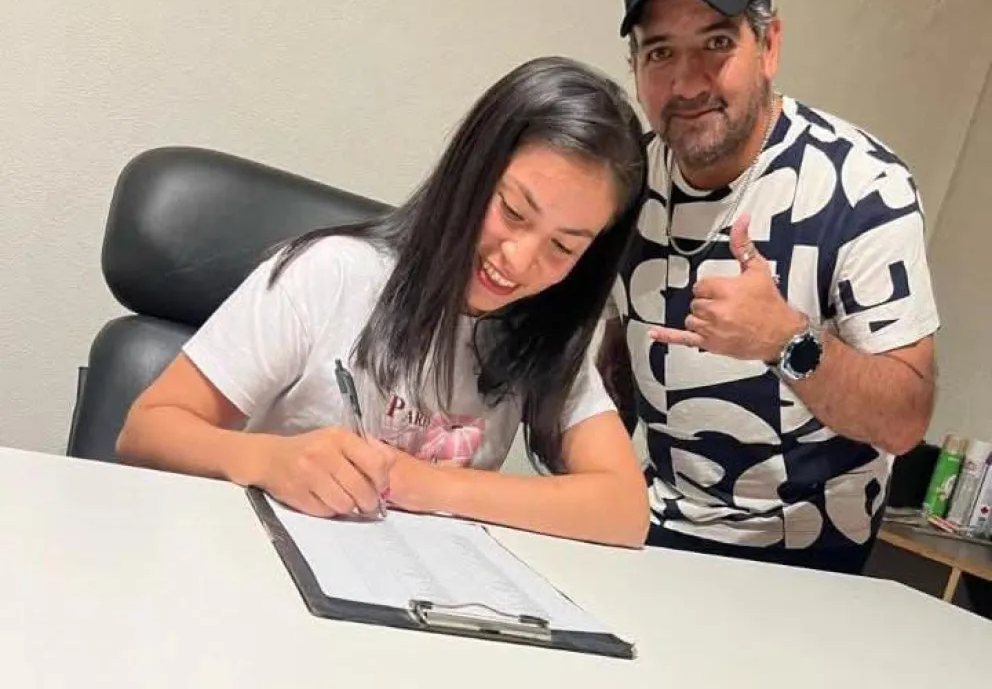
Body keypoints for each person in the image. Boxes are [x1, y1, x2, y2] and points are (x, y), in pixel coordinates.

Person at [117, 55, 651, 548]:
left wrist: (428, 485)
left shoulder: (542, 330)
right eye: (512, 212)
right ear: (471, 171)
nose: (519, 259)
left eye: (563, 247)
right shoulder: (334, 274)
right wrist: (272, 460)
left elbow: (624, 510)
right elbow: (146, 430)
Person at [597, 0, 939, 572]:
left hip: (813, 555)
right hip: (654, 526)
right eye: (660, 52)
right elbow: (618, 358)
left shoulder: (863, 187)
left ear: (770, 45)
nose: (687, 83)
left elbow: (905, 419)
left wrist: (786, 342)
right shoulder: (626, 180)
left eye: (716, 42)